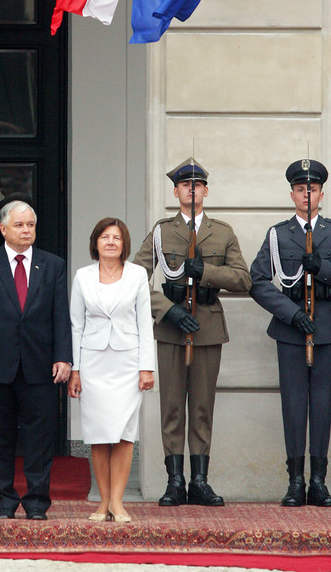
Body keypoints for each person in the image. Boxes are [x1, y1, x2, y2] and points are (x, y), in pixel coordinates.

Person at [133, 158, 251, 507]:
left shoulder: (223, 232)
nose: (192, 190)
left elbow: (243, 279)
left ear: (206, 191)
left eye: (198, 185)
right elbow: (135, 278)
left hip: (207, 327)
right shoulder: (161, 231)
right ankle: (175, 481)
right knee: (171, 407)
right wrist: (165, 309)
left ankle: (200, 481)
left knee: (201, 407)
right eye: (186, 185)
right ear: (176, 191)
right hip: (171, 328)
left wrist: (208, 272)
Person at [0, 200, 72, 519]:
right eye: (19, 225)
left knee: (39, 439)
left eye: (31, 225)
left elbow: (60, 316)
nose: (26, 231)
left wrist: (63, 357)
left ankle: (37, 502)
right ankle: (3, 502)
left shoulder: (52, 264)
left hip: (41, 365)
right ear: (3, 229)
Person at [250, 158, 331, 507]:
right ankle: (295, 481)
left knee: (323, 406)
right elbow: (257, 281)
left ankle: (318, 482)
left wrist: (323, 267)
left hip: (326, 328)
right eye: (300, 189)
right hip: (292, 328)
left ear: (321, 194)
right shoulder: (278, 235)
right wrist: (292, 313)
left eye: (311, 189)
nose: (306, 194)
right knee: (294, 405)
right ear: (292, 194)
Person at [68, 217, 154, 523]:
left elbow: (145, 323)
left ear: (124, 244)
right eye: (105, 236)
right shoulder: (83, 276)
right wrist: (75, 370)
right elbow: (76, 325)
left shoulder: (137, 275)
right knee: (98, 434)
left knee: (123, 433)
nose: (110, 242)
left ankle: (118, 502)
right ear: (95, 242)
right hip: (92, 364)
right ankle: (103, 502)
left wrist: (147, 367)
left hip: (127, 364)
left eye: (116, 238)